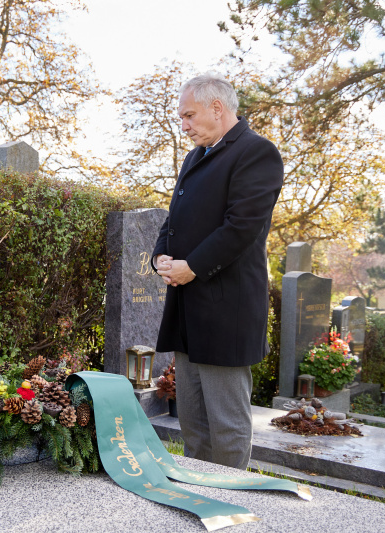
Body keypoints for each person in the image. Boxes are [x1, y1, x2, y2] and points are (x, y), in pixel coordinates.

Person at [152, 73, 283, 470]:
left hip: (227, 311)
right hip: (189, 308)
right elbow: (174, 219)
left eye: (189, 115)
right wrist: (161, 256)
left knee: (226, 428)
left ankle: (231, 504)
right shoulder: (196, 156)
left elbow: (243, 226)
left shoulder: (256, 152)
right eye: (181, 117)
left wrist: (191, 266)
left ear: (217, 108)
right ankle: (199, 494)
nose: (184, 124)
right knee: (193, 425)